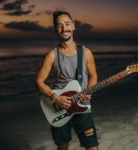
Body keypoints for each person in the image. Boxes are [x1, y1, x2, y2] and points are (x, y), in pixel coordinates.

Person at [36, 10, 99, 150]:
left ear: (73, 26)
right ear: (55, 28)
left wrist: (89, 91)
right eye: (59, 25)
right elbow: (39, 82)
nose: (64, 28)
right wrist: (55, 97)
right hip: (59, 108)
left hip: (82, 107)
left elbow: (93, 76)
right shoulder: (51, 55)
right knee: (62, 147)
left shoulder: (86, 52)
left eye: (67, 24)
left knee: (93, 147)